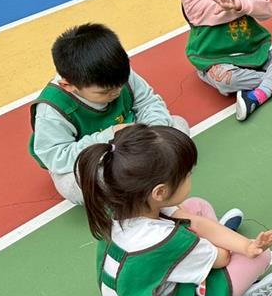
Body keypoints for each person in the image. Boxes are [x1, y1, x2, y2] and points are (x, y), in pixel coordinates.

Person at [77, 124, 272, 296]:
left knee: (197, 207)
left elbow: (195, 221)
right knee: (259, 257)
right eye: (187, 175)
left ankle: (204, 252)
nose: (190, 177)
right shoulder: (167, 241)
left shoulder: (124, 203)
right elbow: (223, 258)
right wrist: (245, 248)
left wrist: (243, 244)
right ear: (159, 192)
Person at [29, 23, 190, 205]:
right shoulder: (52, 110)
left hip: (134, 144)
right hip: (96, 159)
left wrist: (152, 131)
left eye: (120, 85)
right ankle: (143, 177)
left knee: (178, 125)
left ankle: (136, 177)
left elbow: (148, 101)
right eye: (105, 92)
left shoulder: (117, 74)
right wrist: (109, 137)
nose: (116, 93)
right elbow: (56, 157)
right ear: (68, 86)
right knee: (73, 187)